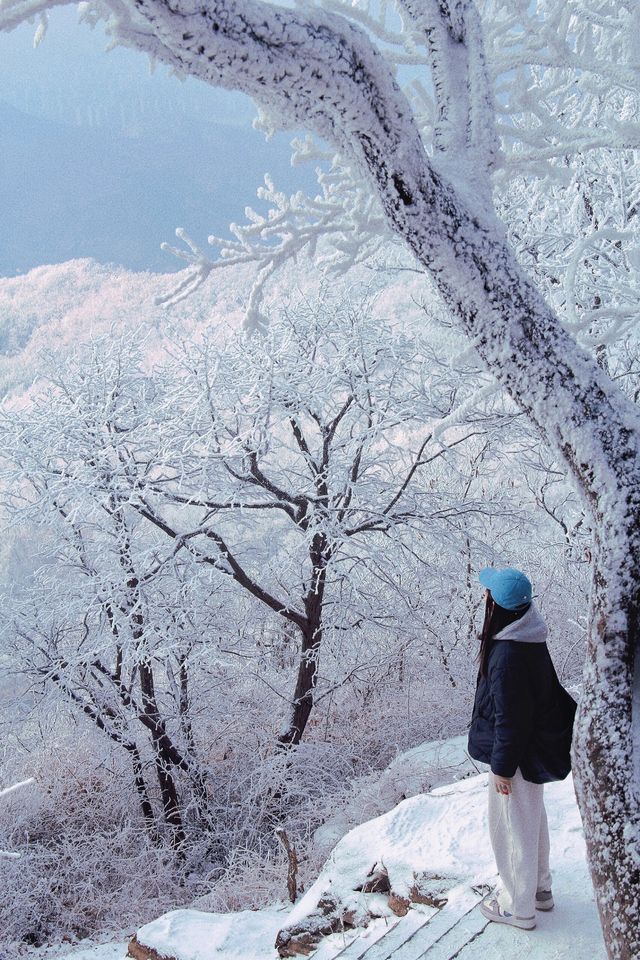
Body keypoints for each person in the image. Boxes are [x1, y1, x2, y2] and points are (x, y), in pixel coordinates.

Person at [467, 567, 577, 931]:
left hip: (515, 758)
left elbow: (511, 719)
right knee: (531, 821)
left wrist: (501, 768)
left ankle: (518, 907)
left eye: (489, 594)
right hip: (527, 755)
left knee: (511, 828)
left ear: (498, 605)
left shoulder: (509, 654)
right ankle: (539, 891)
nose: (484, 597)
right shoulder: (527, 636)